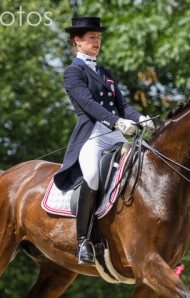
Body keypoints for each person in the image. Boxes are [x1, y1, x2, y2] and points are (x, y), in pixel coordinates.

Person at [54, 16, 155, 265]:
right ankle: (83, 241)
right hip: (92, 136)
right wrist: (117, 121)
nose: (97, 42)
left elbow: (123, 105)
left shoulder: (105, 73)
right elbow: (87, 104)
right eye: (92, 38)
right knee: (91, 176)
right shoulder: (72, 72)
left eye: (98, 38)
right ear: (78, 41)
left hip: (115, 134)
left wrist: (139, 118)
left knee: (140, 167)